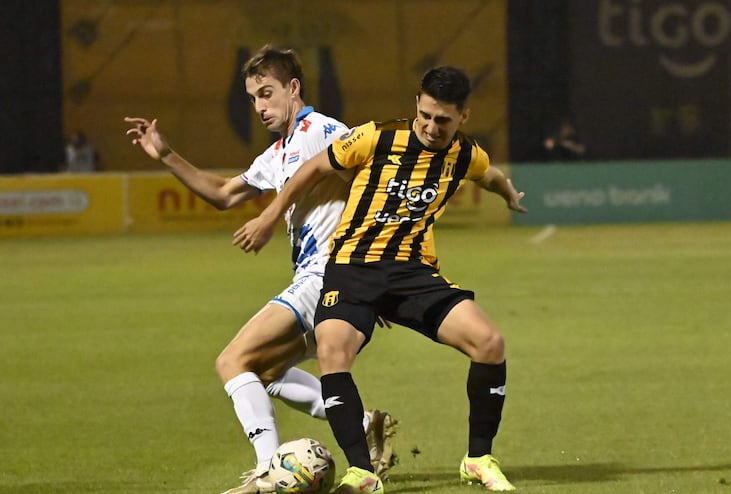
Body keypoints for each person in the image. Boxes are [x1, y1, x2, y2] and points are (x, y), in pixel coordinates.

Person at [232, 66, 527, 493]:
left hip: (411, 272)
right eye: (424, 115)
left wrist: (508, 193)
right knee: (333, 350)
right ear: (417, 105)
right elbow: (313, 169)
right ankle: (362, 472)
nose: (430, 126)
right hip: (352, 266)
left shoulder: (465, 154)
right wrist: (269, 214)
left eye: (442, 120)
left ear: (463, 116)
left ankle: (478, 459)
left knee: (489, 343)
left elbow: (491, 175)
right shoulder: (377, 137)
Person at [124, 45, 397, 494]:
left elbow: (374, 190)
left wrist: (374, 273)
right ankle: (366, 425)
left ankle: (268, 473)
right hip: (318, 280)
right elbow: (224, 194)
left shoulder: (322, 132)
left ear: (293, 88)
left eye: (266, 93)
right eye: (252, 97)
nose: (259, 106)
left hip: (328, 277)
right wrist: (168, 155)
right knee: (263, 374)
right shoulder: (279, 152)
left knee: (234, 361)